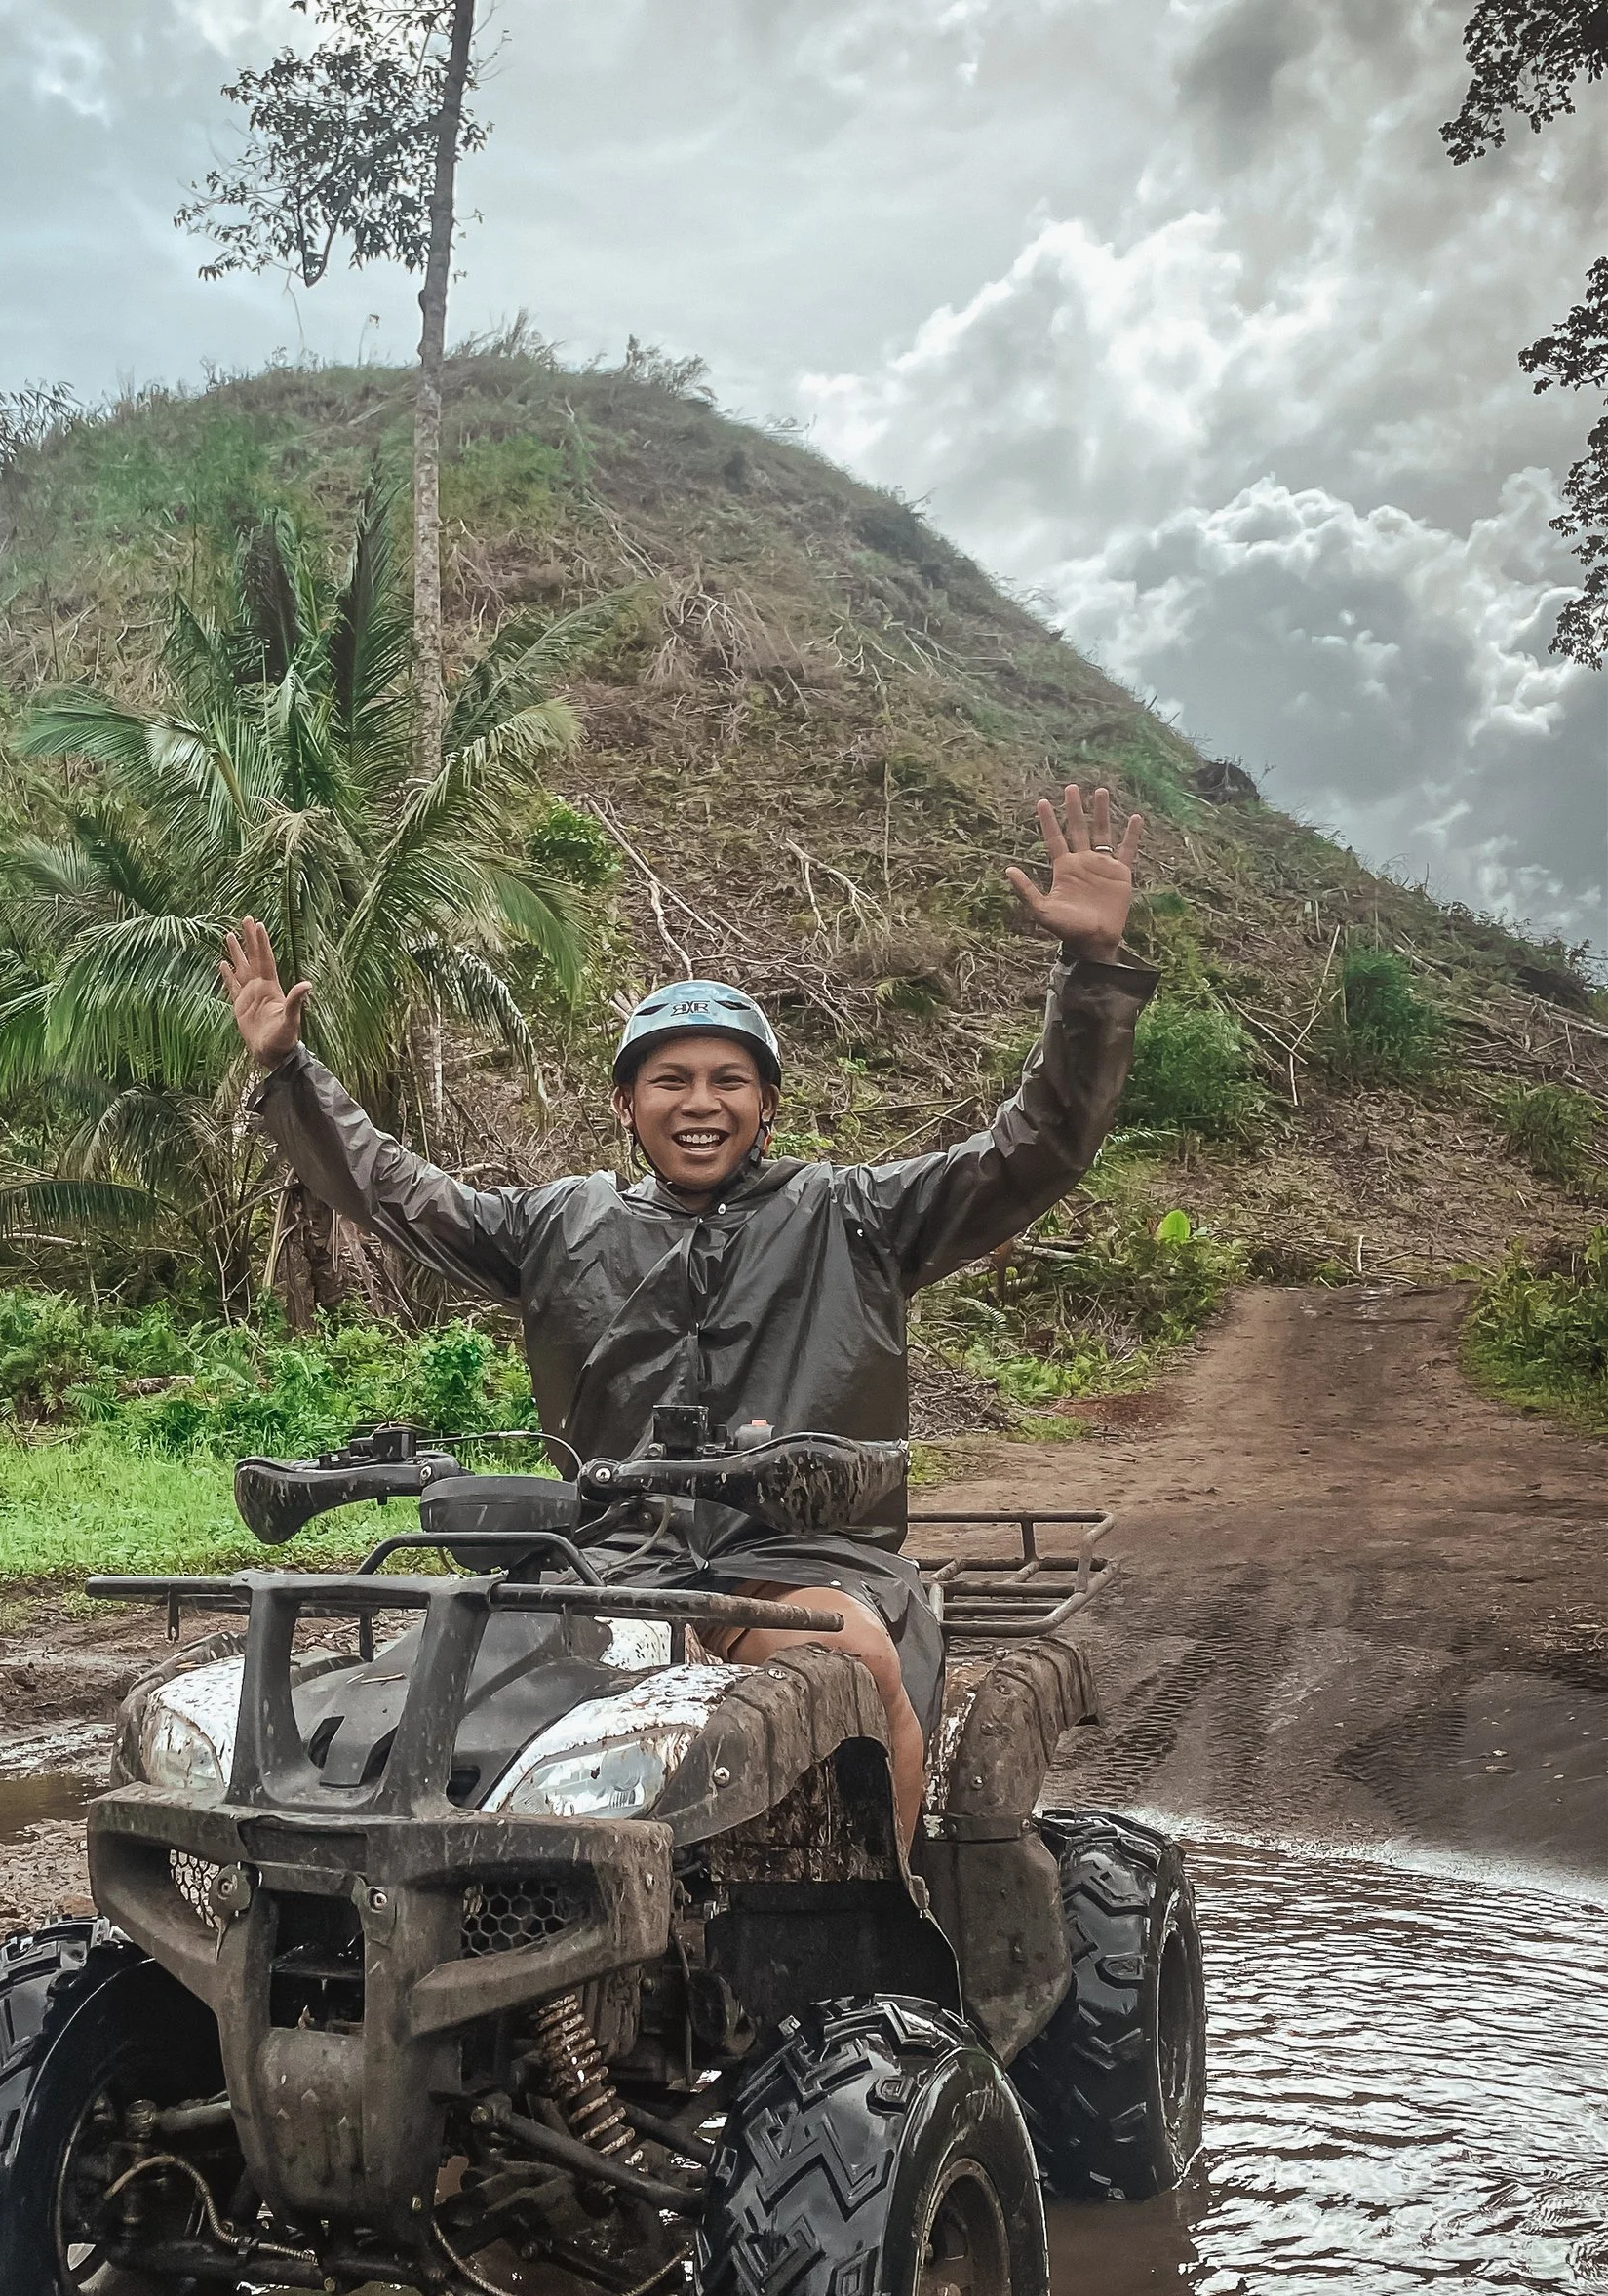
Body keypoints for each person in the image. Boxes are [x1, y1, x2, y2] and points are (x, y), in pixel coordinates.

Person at [219, 787, 1157, 1853]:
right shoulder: (556, 1225)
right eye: (668, 1080)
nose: (698, 1101)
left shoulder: (856, 1217)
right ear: (627, 1106)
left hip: (796, 1567)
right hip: (596, 1569)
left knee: (853, 1661)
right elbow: (397, 1190)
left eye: (727, 1080)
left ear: (765, 1105)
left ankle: (883, 1927)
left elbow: (1036, 1147)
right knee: (417, 1715)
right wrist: (289, 1075)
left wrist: (1091, 977)